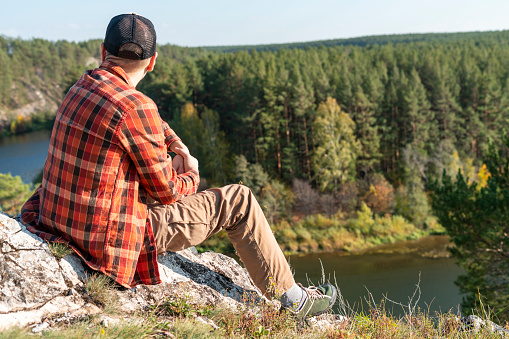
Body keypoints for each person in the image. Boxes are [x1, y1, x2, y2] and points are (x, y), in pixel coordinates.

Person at [20, 13, 336, 320]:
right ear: (153, 61)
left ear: (103, 52)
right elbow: (168, 192)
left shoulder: (83, 85)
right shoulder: (136, 107)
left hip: (60, 220)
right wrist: (190, 175)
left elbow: (145, 118)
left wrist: (173, 142)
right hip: (106, 238)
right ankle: (294, 300)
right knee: (238, 200)